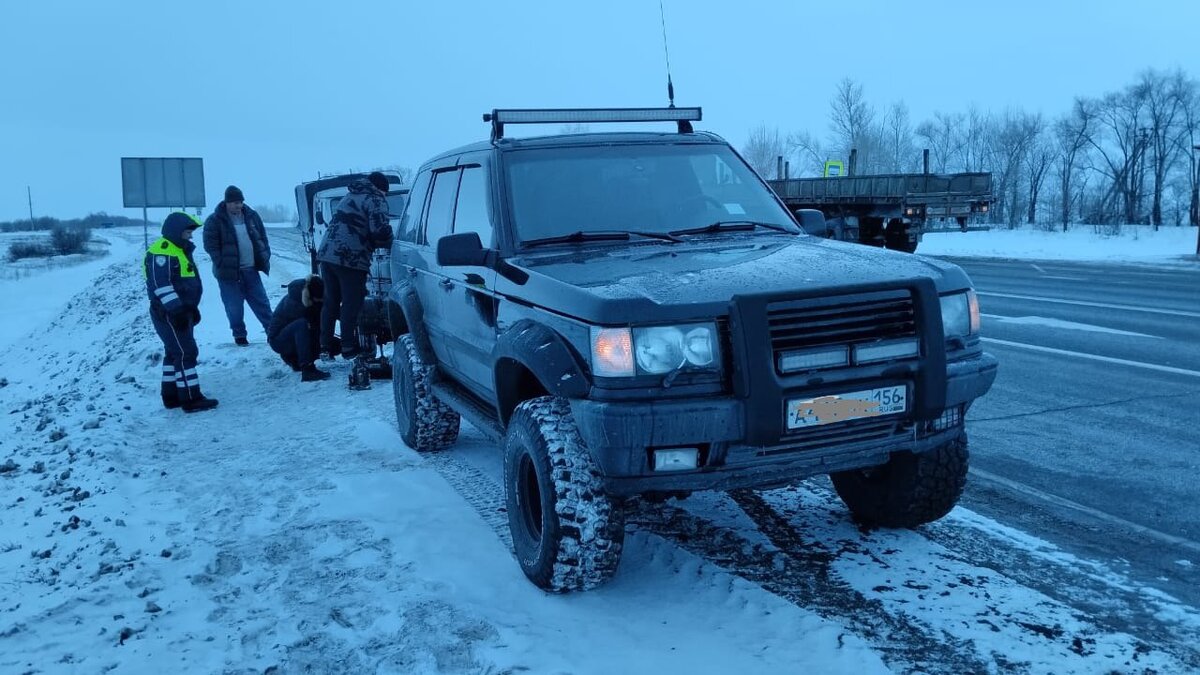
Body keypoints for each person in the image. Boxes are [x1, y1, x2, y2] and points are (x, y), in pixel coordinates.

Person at [145, 212, 219, 413]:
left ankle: (171, 396)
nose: (191, 236)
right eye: (188, 232)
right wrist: (177, 311)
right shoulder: (162, 253)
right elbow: (161, 286)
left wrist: (190, 308)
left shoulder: (178, 250)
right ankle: (191, 398)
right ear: (176, 232)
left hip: (179, 310)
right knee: (186, 352)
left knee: (173, 352)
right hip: (169, 312)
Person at [317, 171, 392, 360]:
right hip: (350, 257)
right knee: (352, 301)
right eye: (386, 193)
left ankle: (324, 346)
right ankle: (348, 347)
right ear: (382, 189)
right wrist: (393, 241)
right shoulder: (375, 198)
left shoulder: (351, 195)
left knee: (331, 300)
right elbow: (380, 231)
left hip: (327, 254)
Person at [203, 185, 273, 346]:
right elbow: (210, 245)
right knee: (234, 307)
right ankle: (239, 335)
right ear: (227, 202)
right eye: (235, 202)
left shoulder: (252, 216)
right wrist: (220, 262)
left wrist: (265, 254)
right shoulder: (215, 220)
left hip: (251, 270)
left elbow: (262, 237)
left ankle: (272, 331)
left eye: (240, 202)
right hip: (229, 275)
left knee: (262, 303)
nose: (238, 205)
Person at [266, 275, 331, 382]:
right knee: (302, 325)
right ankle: (307, 368)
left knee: (334, 346)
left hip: (293, 338)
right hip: (279, 341)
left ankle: (295, 360)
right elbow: (311, 330)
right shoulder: (295, 302)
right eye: (318, 300)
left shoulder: (309, 295)